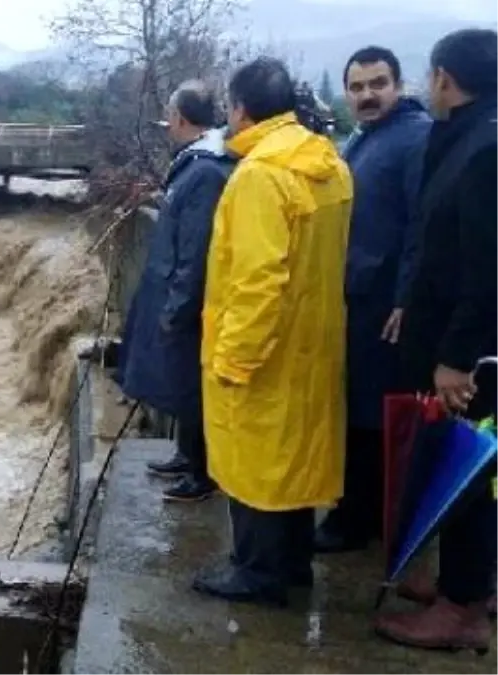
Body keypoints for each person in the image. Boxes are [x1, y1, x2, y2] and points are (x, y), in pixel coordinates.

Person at [191, 57, 353, 607]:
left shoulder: (261, 175)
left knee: (256, 463)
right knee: (295, 460)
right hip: (315, 342)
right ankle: (292, 563)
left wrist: (234, 357)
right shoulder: (327, 162)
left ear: (239, 109)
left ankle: (258, 572)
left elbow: (258, 280)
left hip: (267, 349)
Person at [375, 28, 498, 653]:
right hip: (456, 341)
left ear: (445, 79)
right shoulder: (471, 136)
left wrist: (456, 359)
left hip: (474, 358)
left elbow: (486, 268)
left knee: (470, 476)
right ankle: (466, 584)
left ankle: (463, 607)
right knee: (468, 469)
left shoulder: (487, 150)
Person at [315, 46, 432, 553]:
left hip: (385, 306)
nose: (367, 95)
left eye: (377, 84)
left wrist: (406, 298)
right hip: (358, 298)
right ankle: (359, 512)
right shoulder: (364, 139)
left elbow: (420, 227)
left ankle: (358, 520)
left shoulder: (414, 139)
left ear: (398, 85)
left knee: (372, 412)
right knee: (359, 406)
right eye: (358, 87)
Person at [118, 80, 235, 502]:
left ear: (180, 119)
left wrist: (179, 306)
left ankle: (202, 474)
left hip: (191, 302)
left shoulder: (204, 171)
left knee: (193, 386)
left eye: (169, 116)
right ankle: (187, 456)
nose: (167, 123)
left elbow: (197, 249)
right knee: (183, 383)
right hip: (178, 294)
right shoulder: (198, 161)